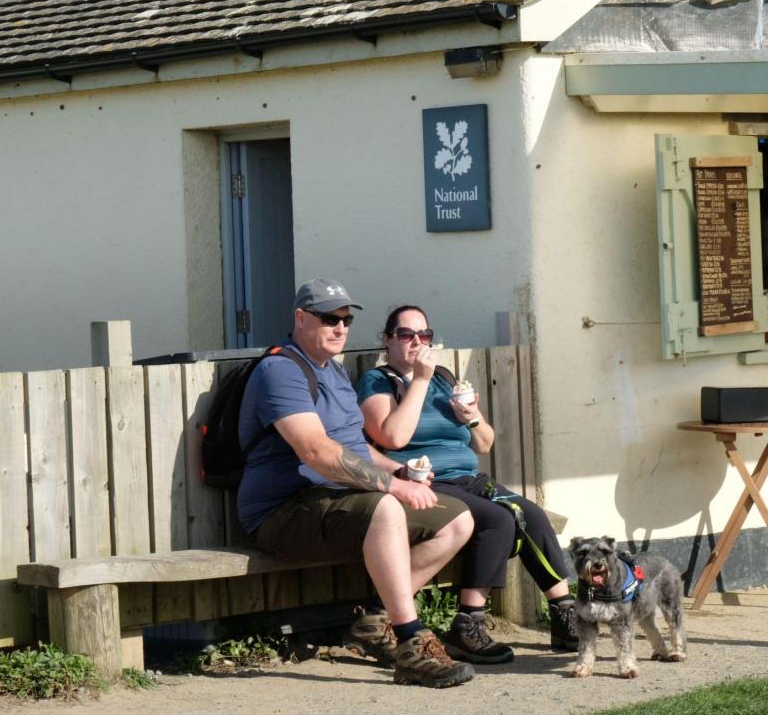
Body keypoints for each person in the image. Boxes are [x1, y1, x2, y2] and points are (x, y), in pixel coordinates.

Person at [237, 278, 477, 688]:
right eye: (329, 318)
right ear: (300, 318)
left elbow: (356, 449)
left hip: (337, 502)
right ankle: (411, 643)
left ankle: (375, 621)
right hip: (282, 511)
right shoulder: (281, 370)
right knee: (385, 507)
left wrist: (398, 472)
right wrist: (393, 487)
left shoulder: (333, 370)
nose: (340, 328)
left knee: (457, 518)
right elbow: (317, 452)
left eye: (346, 320)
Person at [357, 305, 578, 665]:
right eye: (406, 335)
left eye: (424, 335)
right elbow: (392, 436)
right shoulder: (379, 381)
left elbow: (485, 443)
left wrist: (472, 417)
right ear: (387, 339)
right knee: (499, 519)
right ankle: (467, 624)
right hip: (425, 482)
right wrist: (420, 381)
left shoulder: (444, 377)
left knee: (532, 514)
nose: (416, 342)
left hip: (469, 479)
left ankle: (565, 614)